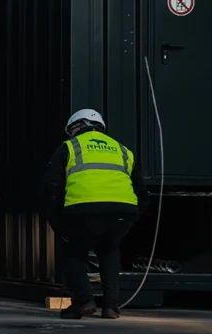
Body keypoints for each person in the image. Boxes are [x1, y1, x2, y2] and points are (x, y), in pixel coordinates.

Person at [41, 109, 149, 320]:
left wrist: (59, 223)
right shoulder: (123, 150)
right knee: (109, 249)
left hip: (82, 212)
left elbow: (50, 188)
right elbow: (142, 194)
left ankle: (83, 300)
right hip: (122, 212)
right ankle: (111, 306)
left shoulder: (69, 147)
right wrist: (130, 219)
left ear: (76, 126)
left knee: (72, 253)